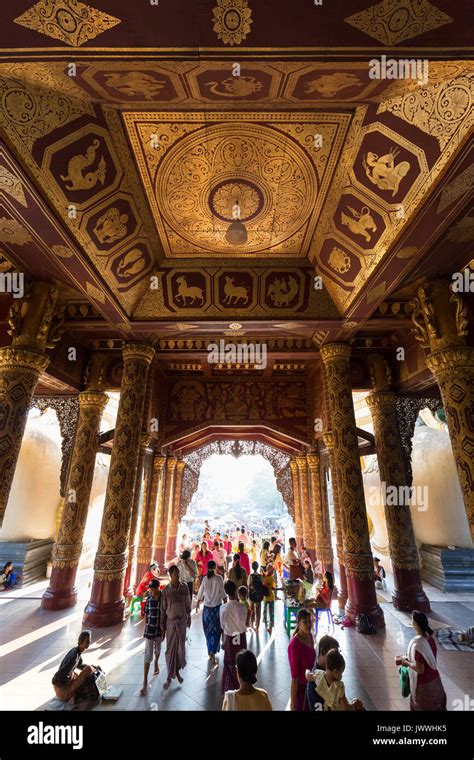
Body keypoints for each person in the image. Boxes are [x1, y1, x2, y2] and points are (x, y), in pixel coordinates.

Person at [397, 610, 447, 711]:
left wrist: (406, 662)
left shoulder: (418, 644)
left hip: (423, 685)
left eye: (412, 620)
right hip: (435, 681)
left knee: (419, 707)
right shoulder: (430, 639)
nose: (411, 622)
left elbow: (420, 670)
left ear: (416, 624)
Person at [160, 564, 191, 689]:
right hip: (171, 623)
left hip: (182, 622)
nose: (178, 575)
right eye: (175, 573)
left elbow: (188, 604)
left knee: (180, 649)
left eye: (178, 573)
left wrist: (189, 618)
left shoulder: (184, 587)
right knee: (170, 651)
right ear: (170, 575)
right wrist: (162, 627)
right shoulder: (166, 590)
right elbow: (163, 610)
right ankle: (169, 676)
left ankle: (177, 671)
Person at [52, 631, 97, 704]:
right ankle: (69, 695)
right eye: (87, 641)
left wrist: (94, 667)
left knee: (81, 671)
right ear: (80, 641)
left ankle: (72, 692)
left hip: (61, 687)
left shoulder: (76, 651)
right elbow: (59, 676)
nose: (89, 643)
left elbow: (79, 665)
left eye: (89, 641)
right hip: (62, 692)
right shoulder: (74, 657)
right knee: (88, 668)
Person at [220, 581, 248, 694]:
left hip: (230, 638)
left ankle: (229, 688)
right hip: (241, 637)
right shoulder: (242, 607)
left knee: (229, 663)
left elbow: (222, 625)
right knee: (242, 661)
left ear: (226, 592)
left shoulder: (223, 608)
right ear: (236, 590)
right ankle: (243, 686)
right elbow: (245, 622)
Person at [196, 560, 226, 664]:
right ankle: (213, 650)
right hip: (217, 610)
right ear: (215, 568)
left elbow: (200, 594)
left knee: (208, 631)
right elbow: (223, 594)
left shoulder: (205, 579)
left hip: (207, 611)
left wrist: (197, 604)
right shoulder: (219, 579)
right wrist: (226, 604)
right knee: (217, 631)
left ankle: (210, 651)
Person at [288, 609, 315, 711]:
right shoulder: (294, 646)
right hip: (301, 689)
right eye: (305, 622)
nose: (308, 624)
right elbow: (294, 677)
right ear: (298, 622)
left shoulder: (310, 636)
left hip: (312, 684)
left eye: (310, 621)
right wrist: (292, 703)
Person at [305, 634, 340, 711]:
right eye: (332, 656)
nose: (336, 660)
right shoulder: (315, 684)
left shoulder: (330, 673)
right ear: (322, 652)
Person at [140, 579, 162, 695]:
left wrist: (164, 631)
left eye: (154, 589)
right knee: (148, 654)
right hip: (150, 630)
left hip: (159, 630)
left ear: (158, 588)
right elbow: (146, 615)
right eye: (151, 589)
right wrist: (145, 627)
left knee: (158, 650)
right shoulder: (149, 599)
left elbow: (164, 615)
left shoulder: (163, 599)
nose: (152, 591)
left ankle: (156, 663)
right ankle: (145, 681)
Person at [249, 561, 265, 632]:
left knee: (252, 610)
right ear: (258, 567)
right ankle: (257, 627)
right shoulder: (260, 576)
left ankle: (252, 624)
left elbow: (248, 585)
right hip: (259, 596)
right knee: (258, 610)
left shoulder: (250, 576)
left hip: (252, 596)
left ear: (252, 567)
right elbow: (262, 585)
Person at [262, 562, 277, 635]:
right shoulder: (272, 579)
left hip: (265, 597)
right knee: (271, 613)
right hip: (271, 597)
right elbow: (273, 588)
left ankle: (265, 624)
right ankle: (270, 627)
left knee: (265, 611)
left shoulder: (263, 577)